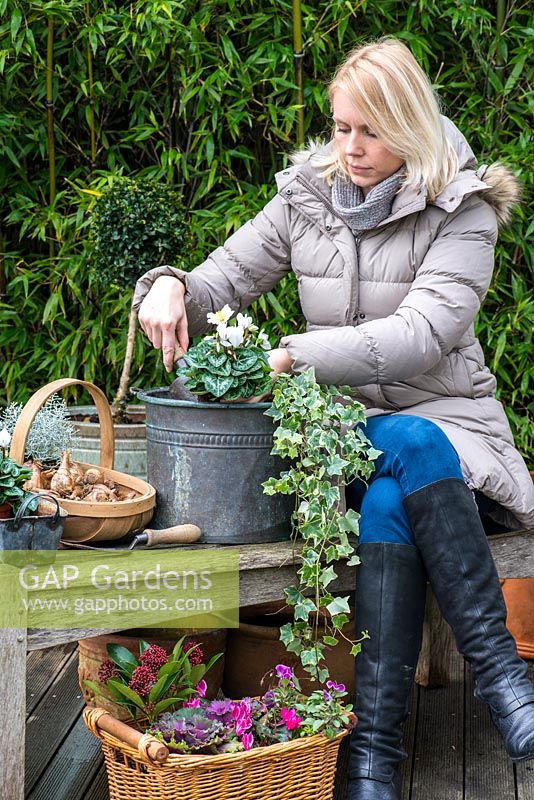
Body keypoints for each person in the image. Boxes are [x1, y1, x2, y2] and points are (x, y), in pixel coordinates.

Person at [133, 38, 534, 800]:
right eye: (340, 126)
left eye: (369, 131)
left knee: (406, 463)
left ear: (409, 125)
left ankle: (375, 759)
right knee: (387, 473)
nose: (348, 147)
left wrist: (293, 357)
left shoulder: (463, 210)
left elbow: (422, 334)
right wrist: (168, 286)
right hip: (339, 440)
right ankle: (504, 687)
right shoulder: (307, 195)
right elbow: (221, 278)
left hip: (452, 443)